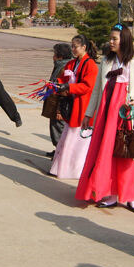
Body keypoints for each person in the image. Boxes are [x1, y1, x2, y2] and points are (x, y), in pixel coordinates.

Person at [75, 24, 134, 213]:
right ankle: (109, 194)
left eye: (114, 39)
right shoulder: (106, 62)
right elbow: (96, 91)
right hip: (106, 115)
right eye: (110, 38)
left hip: (127, 116)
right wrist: (89, 113)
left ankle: (131, 197)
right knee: (107, 154)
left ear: (124, 40)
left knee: (129, 154)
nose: (110, 42)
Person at [49, 35, 98, 178]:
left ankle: (73, 170)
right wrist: (56, 83)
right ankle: (62, 168)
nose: (73, 49)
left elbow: (87, 86)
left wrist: (69, 87)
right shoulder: (72, 63)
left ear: (84, 47)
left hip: (82, 106)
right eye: (72, 46)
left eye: (75, 46)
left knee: (76, 140)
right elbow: (63, 78)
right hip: (71, 105)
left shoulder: (91, 65)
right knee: (67, 138)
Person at [46, 43, 73, 158]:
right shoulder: (59, 65)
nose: (53, 56)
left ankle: (60, 153)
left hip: (60, 104)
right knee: (55, 128)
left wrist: (59, 111)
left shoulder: (64, 68)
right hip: (54, 102)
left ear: (60, 56)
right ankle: (57, 149)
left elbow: (64, 91)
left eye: (55, 54)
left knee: (58, 128)